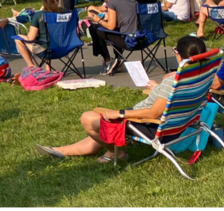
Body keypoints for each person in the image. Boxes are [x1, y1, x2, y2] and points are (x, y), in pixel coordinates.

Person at [35, 36, 208, 162]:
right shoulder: (201, 75)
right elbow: (171, 99)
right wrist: (158, 88)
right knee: (101, 128)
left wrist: (121, 113)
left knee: (89, 118)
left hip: (151, 124)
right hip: (178, 123)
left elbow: (155, 111)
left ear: (179, 55)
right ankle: (61, 151)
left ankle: (117, 153)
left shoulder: (174, 81)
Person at [87, 0, 139, 75]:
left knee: (94, 28)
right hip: (139, 37)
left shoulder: (113, 1)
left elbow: (111, 26)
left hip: (126, 39)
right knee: (98, 27)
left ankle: (108, 59)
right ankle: (115, 57)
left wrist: (98, 20)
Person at [11, 0, 69, 70]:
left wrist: (25, 36)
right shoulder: (67, 13)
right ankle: (47, 68)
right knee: (47, 40)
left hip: (45, 50)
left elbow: (31, 38)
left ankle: (31, 66)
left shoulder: (39, 15)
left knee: (18, 38)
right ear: (56, 1)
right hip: (65, 48)